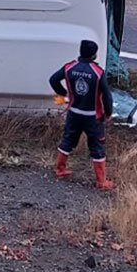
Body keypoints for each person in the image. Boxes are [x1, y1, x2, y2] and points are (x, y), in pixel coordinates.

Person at [48, 39, 115, 190]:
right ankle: (101, 181)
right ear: (94, 55)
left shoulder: (70, 67)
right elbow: (107, 95)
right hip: (92, 116)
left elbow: (53, 79)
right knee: (97, 146)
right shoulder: (98, 73)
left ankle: (60, 169)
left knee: (68, 140)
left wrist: (63, 93)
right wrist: (108, 113)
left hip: (73, 112)